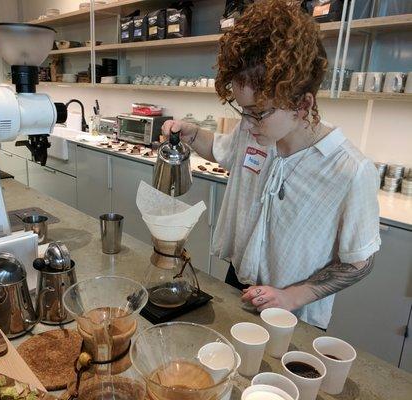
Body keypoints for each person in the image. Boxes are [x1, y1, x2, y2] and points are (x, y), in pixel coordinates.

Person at [161, 0, 380, 329]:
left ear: (302, 104)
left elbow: (360, 262)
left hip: (293, 309)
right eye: (242, 110)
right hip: (240, 282)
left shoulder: (348, 170)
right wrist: (192, 135)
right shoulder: (255, 134)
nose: (248, 123)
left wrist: (292, 296)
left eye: (258, 112)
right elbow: (221, 150)